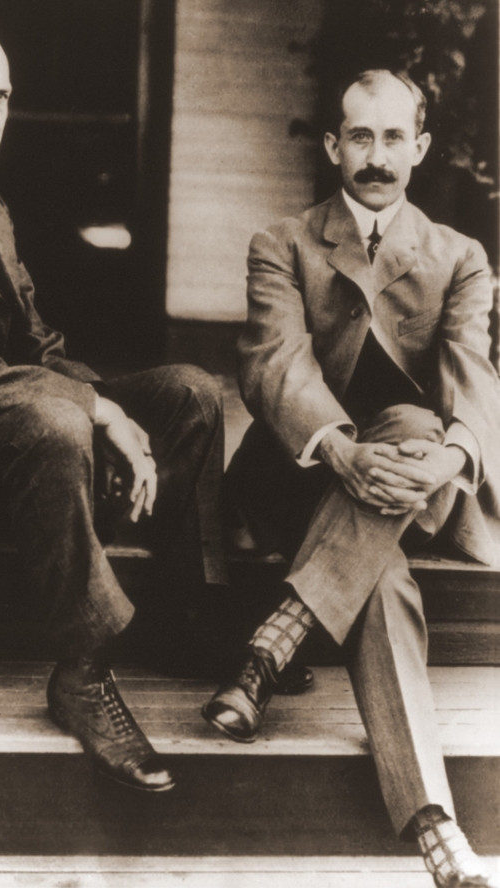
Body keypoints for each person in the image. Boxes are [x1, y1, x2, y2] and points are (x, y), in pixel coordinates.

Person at [0, 15, 237, 794]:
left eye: (2, 96)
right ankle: (82, 675)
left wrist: (108, 400)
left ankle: (175, 617)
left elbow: (39, 347)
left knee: (189, 392)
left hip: (6, 440)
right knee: (59, 417)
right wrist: (94, 411)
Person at [202, 69, 500, 887]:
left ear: (420, 147)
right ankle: (435, 824)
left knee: (412, 435)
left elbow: (472, 373)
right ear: (333, 146)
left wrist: (449, 458)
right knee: (384, 563)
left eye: (392, 137)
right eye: (359, 137)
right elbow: (272, 367)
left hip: (403, 479)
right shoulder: (283, 242)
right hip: (296, 473)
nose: (375, 156)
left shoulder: (459, 256)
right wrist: (338, 450)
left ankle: (275, 644)